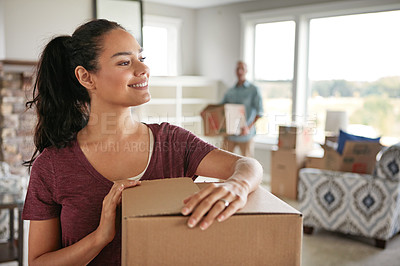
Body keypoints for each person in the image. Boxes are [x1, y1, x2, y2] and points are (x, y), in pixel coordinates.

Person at [22, 19, 263, 265]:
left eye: (141, 58)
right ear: (86, 77)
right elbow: (38, 263)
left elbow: (247, 165)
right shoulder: (52, 165)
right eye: (125, 62)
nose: (143, 69)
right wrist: (99, 238)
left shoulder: (173, 142)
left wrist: (237, 186)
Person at [221, 61, 264, 157]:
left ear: (246, 71)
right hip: (230, 135)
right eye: (237, 69)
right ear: (235, 71)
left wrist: (248, 128)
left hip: (245, 135)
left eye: (242, 69)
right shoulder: (230, 91)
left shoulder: (253, 90)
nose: (240, 71)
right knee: (223, 161)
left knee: (248, 165)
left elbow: (260, 112)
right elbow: (220, 108)